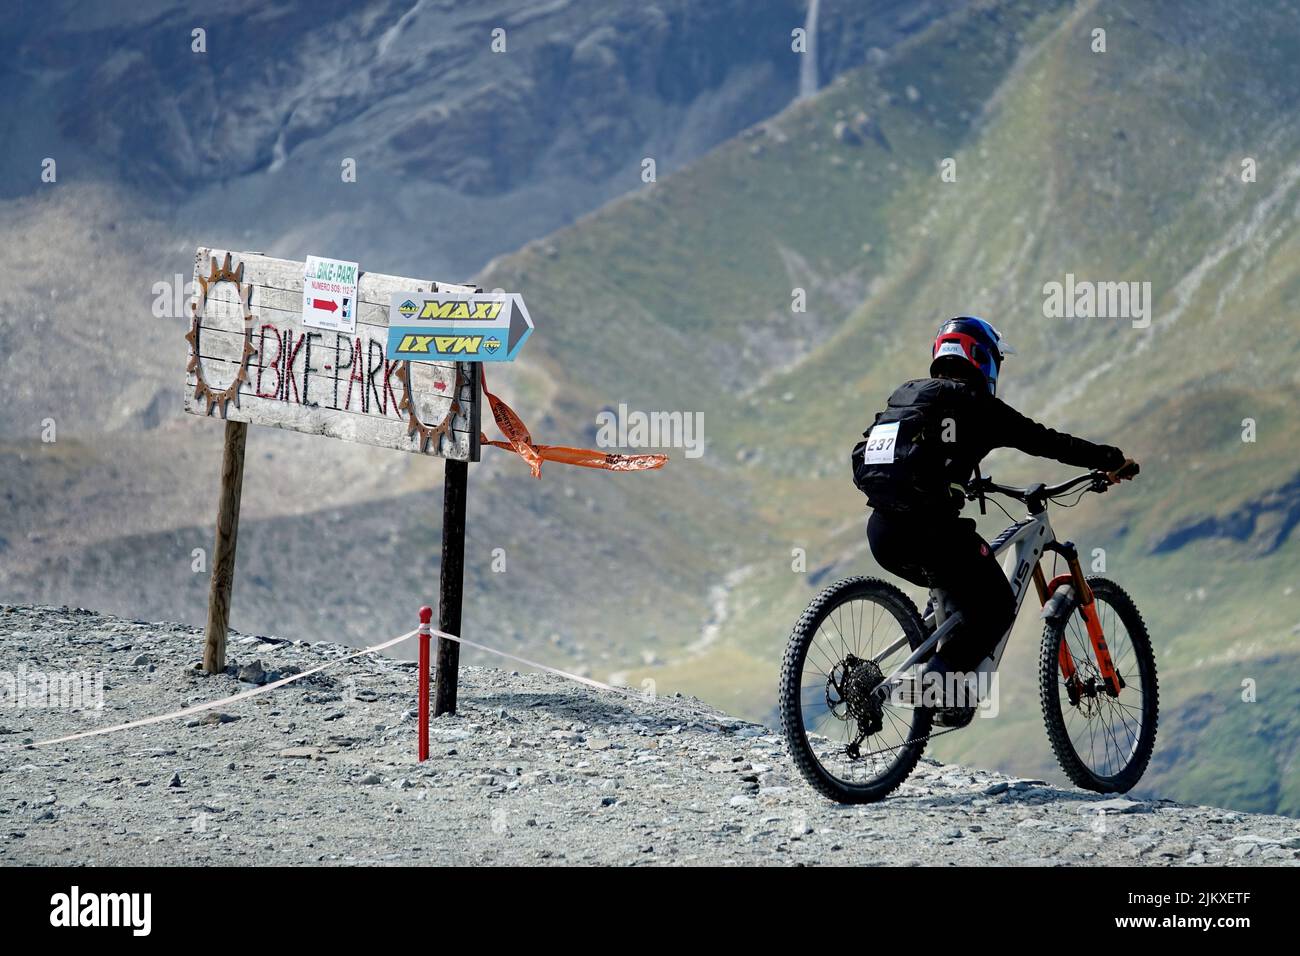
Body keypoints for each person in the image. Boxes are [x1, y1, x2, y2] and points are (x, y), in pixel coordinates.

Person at [852, 317, 1133, 720]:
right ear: (982, 360)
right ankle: (935, 686)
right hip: (930, 531)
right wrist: (1110, 459)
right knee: (997, 605)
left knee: (958, 592)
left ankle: (937, 684)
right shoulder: (978, 405)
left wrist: (957, 480)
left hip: (882, 532)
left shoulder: (909, 394)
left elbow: (919, 454)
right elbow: (1047, 440)